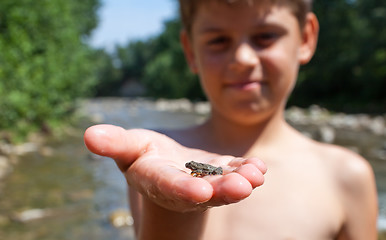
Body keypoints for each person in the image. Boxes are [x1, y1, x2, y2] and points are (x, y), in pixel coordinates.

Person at [84, 0, 378, 239]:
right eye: (219, 40)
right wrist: (169, 207)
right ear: (190, 51)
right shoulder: (155, 157)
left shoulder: (347, 177)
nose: (243, 58)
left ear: (305, 38)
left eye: (265, 36)